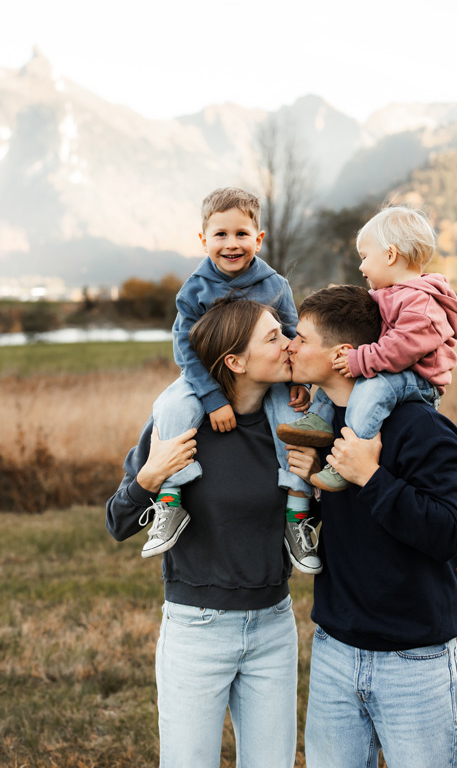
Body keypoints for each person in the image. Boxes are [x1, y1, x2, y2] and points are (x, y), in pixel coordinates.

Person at [106, 297, 319, 768]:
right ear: (235, 361)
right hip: (196, 630)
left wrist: (318, 487)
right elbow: (117, 522)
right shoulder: (181, 423)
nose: (289, 345)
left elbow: (309, 521)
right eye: (273, 338)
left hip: (273, 627)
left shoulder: (295, 429)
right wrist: (149, 477)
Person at [285, 284, 457, 768]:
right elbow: (351, 527)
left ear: (342, 354)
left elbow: (449, 533)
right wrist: (315, 485)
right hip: (334, 651)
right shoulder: (327, 426)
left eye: (301, 339)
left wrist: (369, 476)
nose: (291, 346)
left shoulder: (420, 427)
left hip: (413, 660)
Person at [144, 186, 320, 574]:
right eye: (220, 234)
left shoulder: (275, 285)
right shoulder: (194, 289)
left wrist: (299, 381)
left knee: (292, 422)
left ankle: (297, 514)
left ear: (258, 238)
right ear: (203, 239)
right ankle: (170, 501)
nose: (231, 243)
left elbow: (290, 335)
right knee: (171, 407)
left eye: (241, 234)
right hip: (203, 378)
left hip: (264, 377)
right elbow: (185, 347)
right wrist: (211, 398)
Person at [277, 204, 457, 491]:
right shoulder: (388, 294)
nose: (361, 266)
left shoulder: (422, 303)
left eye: (365, 257)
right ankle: (320, 420)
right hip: (395, 367)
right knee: (344, 385)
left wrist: (361, 359)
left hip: (418, 377)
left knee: (373, 387)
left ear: (390, 255)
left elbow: (403, 346)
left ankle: (350, 455)